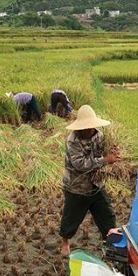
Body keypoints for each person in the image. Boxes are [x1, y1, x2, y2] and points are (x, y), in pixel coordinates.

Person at [59, 105, 121, 257]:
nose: (88, 130)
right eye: (85, 127)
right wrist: (105, 160)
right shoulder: (72, 140)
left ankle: (111, 244)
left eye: (90, 126)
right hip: (76, 186)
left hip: (96, 184)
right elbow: (80, 164)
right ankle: (65, 243)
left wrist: (112, 153)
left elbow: (103, 153)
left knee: (107, 214)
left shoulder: (99, 135)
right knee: (71, 217)